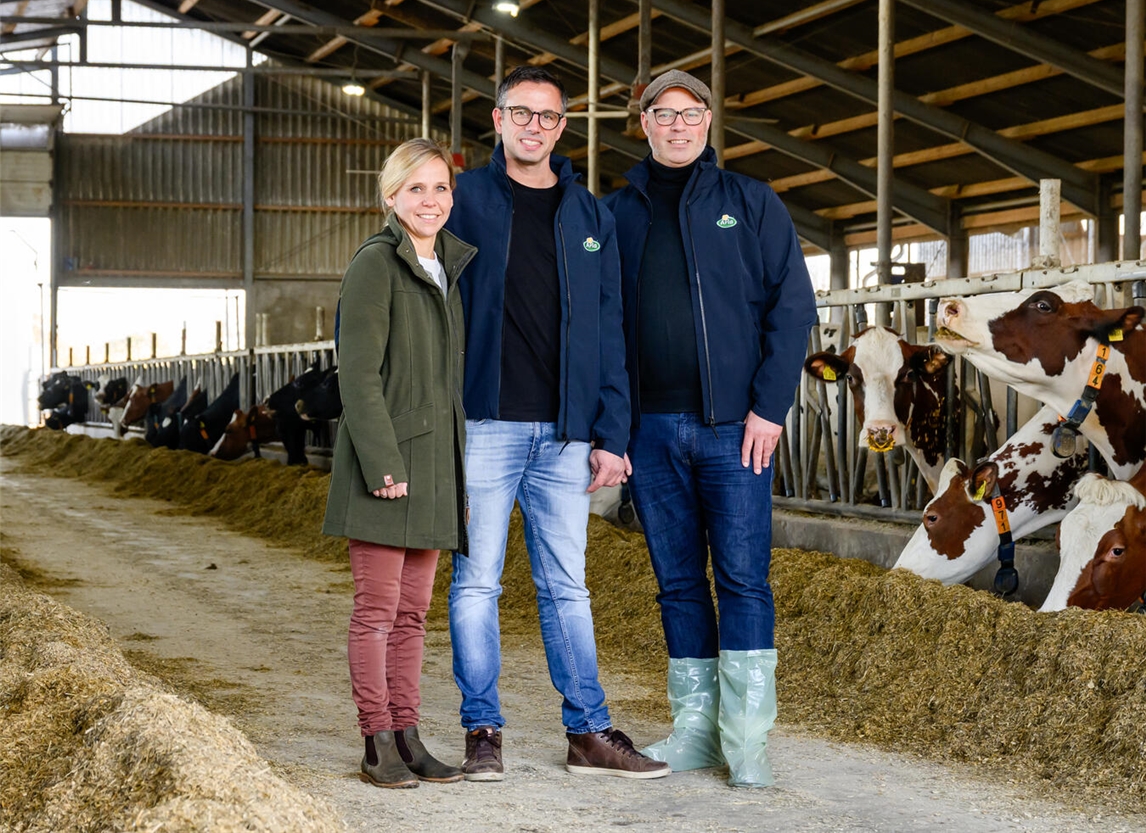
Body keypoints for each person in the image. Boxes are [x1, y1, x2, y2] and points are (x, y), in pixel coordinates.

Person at [445, 65, 669, 782]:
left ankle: (588, 731)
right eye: (521, 112)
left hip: (567, 435)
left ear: (563, 126)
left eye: (547, 116)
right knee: (476, 583)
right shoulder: (462, 199)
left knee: (567, 586)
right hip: (484, 427)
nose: (534, 126)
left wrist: (613, 434)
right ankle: (483, 730)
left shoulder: (589, 214)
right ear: (498, 118)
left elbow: (611, 329)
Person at [604, 70, 818, 788]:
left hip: (736, 428)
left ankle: (748, 739)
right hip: (650, 431)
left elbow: (792, 308)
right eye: (663, 114)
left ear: (708, 121)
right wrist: (614, 426)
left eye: (690, 113)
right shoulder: (617, 213)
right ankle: (695, 731)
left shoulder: (750, 202)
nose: (678, 126)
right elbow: (603, 324)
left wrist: (771, 407)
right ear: (644, 123)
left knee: (743, 579)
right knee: (676, 582)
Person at [322, 138, 476, 789]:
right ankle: (376, 739)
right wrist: (383, 465)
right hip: (387, 467)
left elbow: (446, 389)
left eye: (440, 188)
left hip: (435, 466)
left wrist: (455, 476)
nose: (430, 200)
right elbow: (357, 376)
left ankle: (409, 736)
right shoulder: (375, 264)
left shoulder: (446, 268)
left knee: (414, 614)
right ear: (391, 196)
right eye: (416, 188)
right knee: (378, 610)